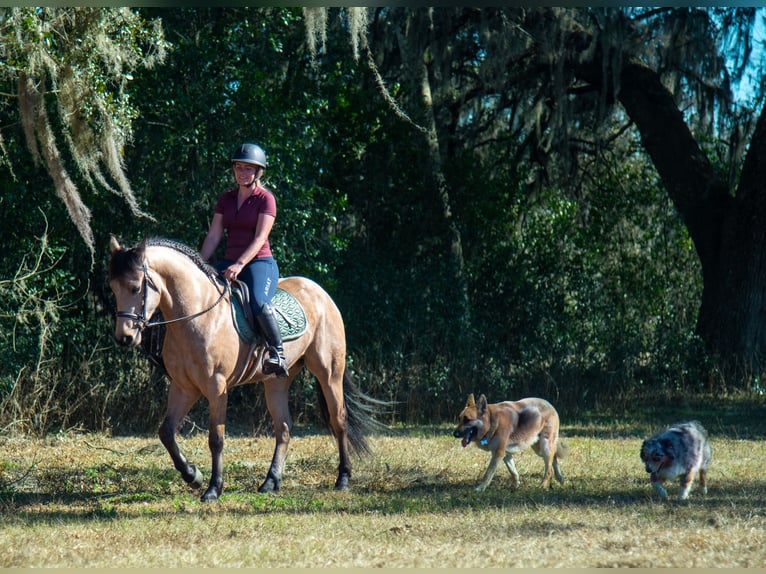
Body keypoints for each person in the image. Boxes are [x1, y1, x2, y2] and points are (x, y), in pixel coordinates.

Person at [200, 143, 288, 377]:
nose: (242, 172)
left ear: (258, 172)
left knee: (258, 301)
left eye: (248, 168)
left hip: (259, 263)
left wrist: (239, 264)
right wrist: (198, 263)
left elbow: (260, 238)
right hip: (229, 261)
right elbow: (214, 235)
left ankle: (277, 352)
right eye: (239, 167)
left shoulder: (265, 199)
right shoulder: (226, 199)